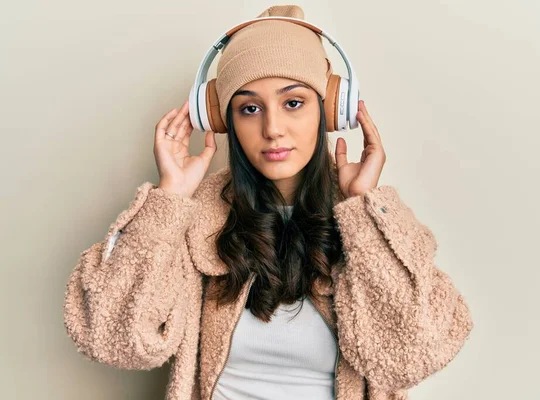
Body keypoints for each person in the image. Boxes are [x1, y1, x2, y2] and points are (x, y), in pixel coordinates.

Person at [62, 5, 473, 400]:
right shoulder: (197, 218)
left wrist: (364, 208)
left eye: (293, 102)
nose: (273, 128)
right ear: (225, 120)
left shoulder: (365, 219)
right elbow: (109, 336)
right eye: (249, 108)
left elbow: (417, 352)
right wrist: (168, 198)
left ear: (330, 110)